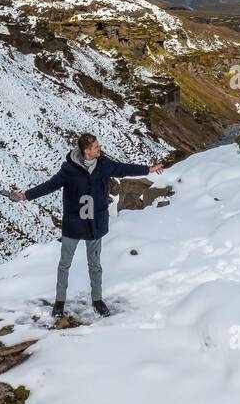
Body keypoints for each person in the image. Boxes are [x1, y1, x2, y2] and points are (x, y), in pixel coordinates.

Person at [13, 132, 163, 317]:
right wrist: (26, 195)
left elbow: (123, 169)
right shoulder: (69, 170)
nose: (99, 148)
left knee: (95, 265)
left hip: (95, 224)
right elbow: (50, 185)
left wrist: (148, 169)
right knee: (64, 264)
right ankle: (59, 302)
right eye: (96, 147)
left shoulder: (104, 164)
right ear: (86, 151)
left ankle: (97, 300)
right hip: (74, 223)